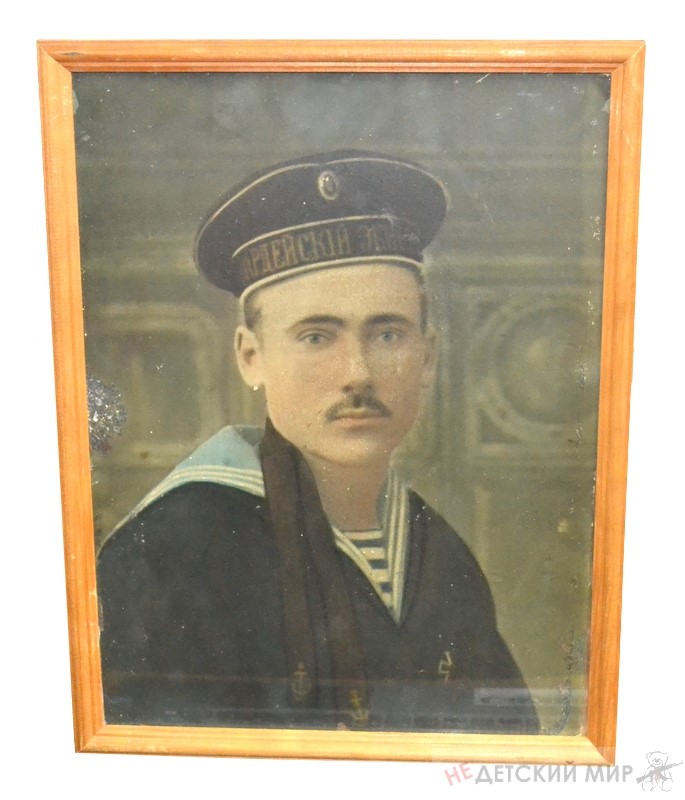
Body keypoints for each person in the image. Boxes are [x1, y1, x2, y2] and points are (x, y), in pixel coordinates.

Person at [97, 150, 539, 733]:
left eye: (387, 334)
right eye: (316, 337)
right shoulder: (170, 552)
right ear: (250, 357)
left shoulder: (440, 554)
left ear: (428, 355)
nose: (358, 373)